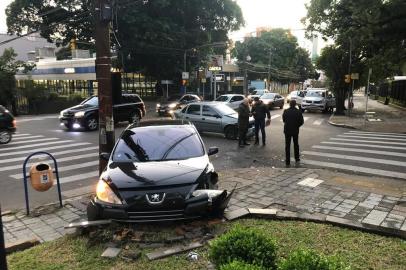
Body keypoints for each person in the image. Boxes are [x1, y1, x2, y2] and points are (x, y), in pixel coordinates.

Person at [282, 99, 304, 166]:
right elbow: (301, 122)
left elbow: (284, 120)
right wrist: (297, 126)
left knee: (287, 146)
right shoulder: (298, 112)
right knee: (296, 144)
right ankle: (297, 158)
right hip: (295, 130)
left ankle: (287, 161)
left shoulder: (286, 111)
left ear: (289, 104)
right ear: (295, 104)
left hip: (287, 130)